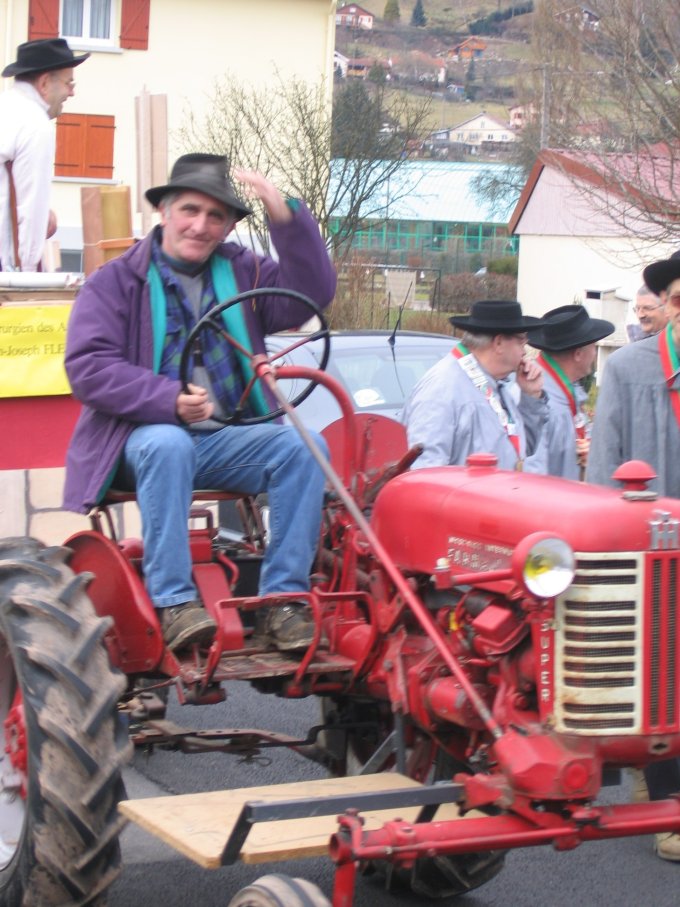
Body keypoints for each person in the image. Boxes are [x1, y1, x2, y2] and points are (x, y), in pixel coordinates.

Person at [64, 153, 337, 654]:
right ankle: (173, 603)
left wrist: (286, 218)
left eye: (216, 216)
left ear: (230, 225)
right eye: (190, 210)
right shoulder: (115, 281)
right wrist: (167, 399)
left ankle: (284, 602)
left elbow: (310, 297)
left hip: (221, 439)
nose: (200, 225)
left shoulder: (244, 271)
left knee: (305, 445)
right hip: (135, 442)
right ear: (164, 211)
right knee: (169, 444)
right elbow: (88, 368)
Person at [586, 253, 680, 861]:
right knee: (666, 672)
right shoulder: (626, 367)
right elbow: (603, 469)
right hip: (656, 547)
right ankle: (669, 807)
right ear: (670, 305)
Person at [403, 299, 550, 472]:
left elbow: (520, 451)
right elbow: (425, 474)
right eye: (521, 342)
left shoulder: (496, 385)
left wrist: (531, 396)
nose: (524, 351)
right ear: (499, 343)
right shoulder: (442, 388)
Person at [0, 38, 88, 272]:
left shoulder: (6, 107)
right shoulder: (35, 124)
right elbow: (30, 207)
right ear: (45, 83)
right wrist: (27, 276)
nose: (72, 91)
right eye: (69, 82)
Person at [529, 304, 614, 480]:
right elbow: (533, 477)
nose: (595, 353)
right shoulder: (537, 399)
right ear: (578, 354)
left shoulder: (566, 390)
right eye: (594, 346)